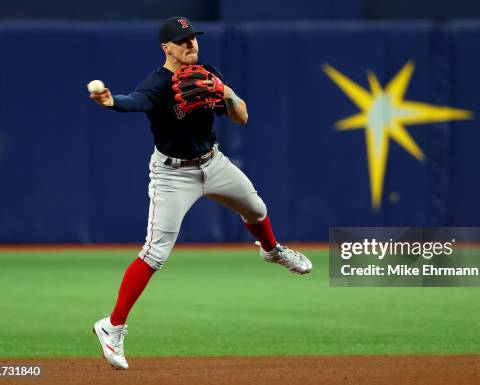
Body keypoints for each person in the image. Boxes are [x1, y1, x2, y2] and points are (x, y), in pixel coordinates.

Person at [88, 16, 312, 370]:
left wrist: (227, 92)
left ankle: (272, 252)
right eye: (183, 41)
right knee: (155, 254)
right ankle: (111, 327)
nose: (191, 44)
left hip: (213, 162)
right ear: (167, 48)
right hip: (173, 174)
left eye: (193, 37)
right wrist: (110, 100)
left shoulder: (206, 72)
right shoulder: (158, 84)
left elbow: (242, 117)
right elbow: (134, 101)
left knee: (256, 208)